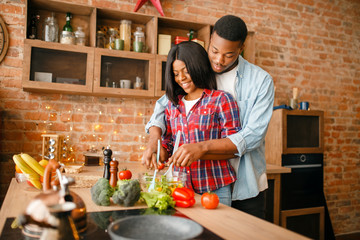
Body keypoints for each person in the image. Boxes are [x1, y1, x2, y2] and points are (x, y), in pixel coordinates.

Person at [143, 15, 274, 219]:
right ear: (210, 39)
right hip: (198, 183)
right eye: (214, 50)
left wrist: (201, 148)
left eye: (228, 55)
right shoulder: (198, 68)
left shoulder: (260, 81)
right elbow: (163, 106)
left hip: (244, 185)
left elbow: (253, 135)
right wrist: (155, 141)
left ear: (241, 48)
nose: (218, 60)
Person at [160, 41, 241, 206]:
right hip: (180, 189)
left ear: (198, 66)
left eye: (186, 71)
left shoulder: (221, 100)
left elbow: (234, 147)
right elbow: (169, 142)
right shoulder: (172, 105)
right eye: (175, 73)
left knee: (216, 232)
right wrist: (161, 152)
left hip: (215, 188)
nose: (181, 78)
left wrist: (199, 151)